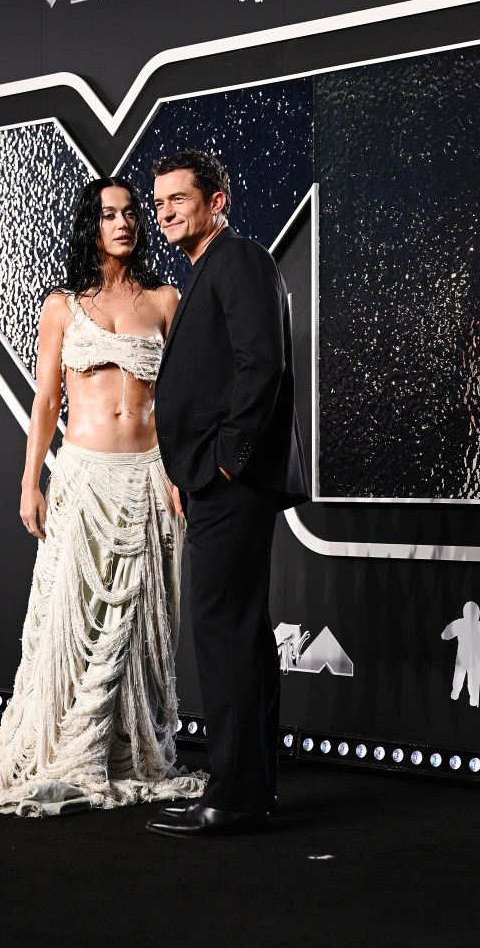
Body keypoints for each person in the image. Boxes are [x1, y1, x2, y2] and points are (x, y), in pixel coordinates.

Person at [0, 176, 206, 816]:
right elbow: (46, 400)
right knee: (70, 624)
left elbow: (184, 397)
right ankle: (65, 747)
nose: (124, 223)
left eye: (131, 213)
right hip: (82, 477)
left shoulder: (165, 301)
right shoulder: (62, 306)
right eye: (109, 215)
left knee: (139, 630)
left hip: (151, 478)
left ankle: (128, 751)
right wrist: (30, 479)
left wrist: (182, 470)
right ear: (91, 226)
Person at [146, 150, 310, 838]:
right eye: (158, 204)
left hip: (232, 483)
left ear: (217, 202)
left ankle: (235, 795)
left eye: (178, 199)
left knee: (223, 631)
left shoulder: (237, 258)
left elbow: (262, 363)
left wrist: (220, 465)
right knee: (238, 635)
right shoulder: (207, 270)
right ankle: (250, 790)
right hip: (217, 482)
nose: (163, 213)